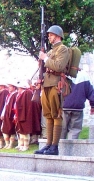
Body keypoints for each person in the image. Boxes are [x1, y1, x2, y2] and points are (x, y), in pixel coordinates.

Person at [35, 25, 70, 155]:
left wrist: (45, 58)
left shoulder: (63, 49)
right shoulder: (49, 52)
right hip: (47, 84)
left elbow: (59, 66)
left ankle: (54, 146)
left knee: (56, 115)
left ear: (58, 35)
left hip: (56, 84)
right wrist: (41, 63)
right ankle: (48, 144)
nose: (49, 37)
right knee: (48, 115)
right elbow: (45, 67)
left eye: (51, 35)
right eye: (48, 35)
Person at [61, 69, 94, 139]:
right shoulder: (84, 76)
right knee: (74, 131)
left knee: (61, 130)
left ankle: (59, 148)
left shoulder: (62, 73)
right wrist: (92, 106)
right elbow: (91, 93)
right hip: (78, 107)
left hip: (63, 106)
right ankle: (72, 149)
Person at [14, 81, 33, 151]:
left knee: (25, 131)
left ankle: (26, 145)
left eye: (18, 88)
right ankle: (21, 145)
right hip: (20, 114)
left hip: (25, 115)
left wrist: (24, 115)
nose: (17, 90)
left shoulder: (27, 93)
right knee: (21, 131)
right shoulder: (20, 94)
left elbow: (27, 106)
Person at [0, 80, 18, 149]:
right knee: (4, 129)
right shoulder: (8, 95)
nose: (9, 88)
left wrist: (14, 115)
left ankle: (11, 144)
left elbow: (15, 105)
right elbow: (6, 105)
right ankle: (7, 143)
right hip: (6, 114)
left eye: (10, 86)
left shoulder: (15, 94)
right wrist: (3, 113)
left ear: (14, 87)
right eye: (9, 86)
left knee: (11, 129)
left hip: (12, 114)